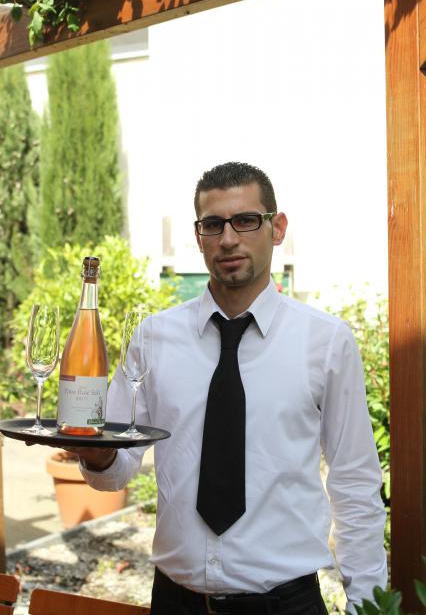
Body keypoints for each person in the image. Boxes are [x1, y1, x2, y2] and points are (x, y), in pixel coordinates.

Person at [76, 162, 387, 614]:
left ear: (277, 228)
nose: (227, 239)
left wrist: (369, 605)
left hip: (286, 606)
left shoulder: (325, 341)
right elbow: (115, 469)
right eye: (213, 224)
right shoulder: (152, 338)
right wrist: (94, 452)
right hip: (175, 604)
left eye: (245, 221)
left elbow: (355, 482)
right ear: (198, 235)